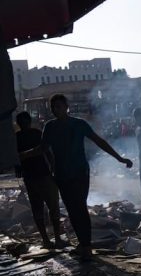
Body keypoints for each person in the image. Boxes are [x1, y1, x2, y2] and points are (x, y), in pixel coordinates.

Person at [21, 94, 132, 260]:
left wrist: (119, 158)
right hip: (62, 175)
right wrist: (23, 155)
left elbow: (99, 141)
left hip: (80, 173)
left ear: (67, 106)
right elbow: (42, 148)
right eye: (53, 107)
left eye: (59, 106)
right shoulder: (50, 127)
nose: (56, 109)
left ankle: (86, 245)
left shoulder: (79, 124)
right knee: (73, 210)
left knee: (79, 207)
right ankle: (83, 244)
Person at [14, 111, 66, 249]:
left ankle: (47, 240)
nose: (24, 124)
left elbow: (15, 157)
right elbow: (48, 152)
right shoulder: (36, 133)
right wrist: (54, 169)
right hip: (40, 175)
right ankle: (54, 239)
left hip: (34, 176)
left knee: (41, 208)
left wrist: (18, 167)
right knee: (50, 207)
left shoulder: (18, 137)